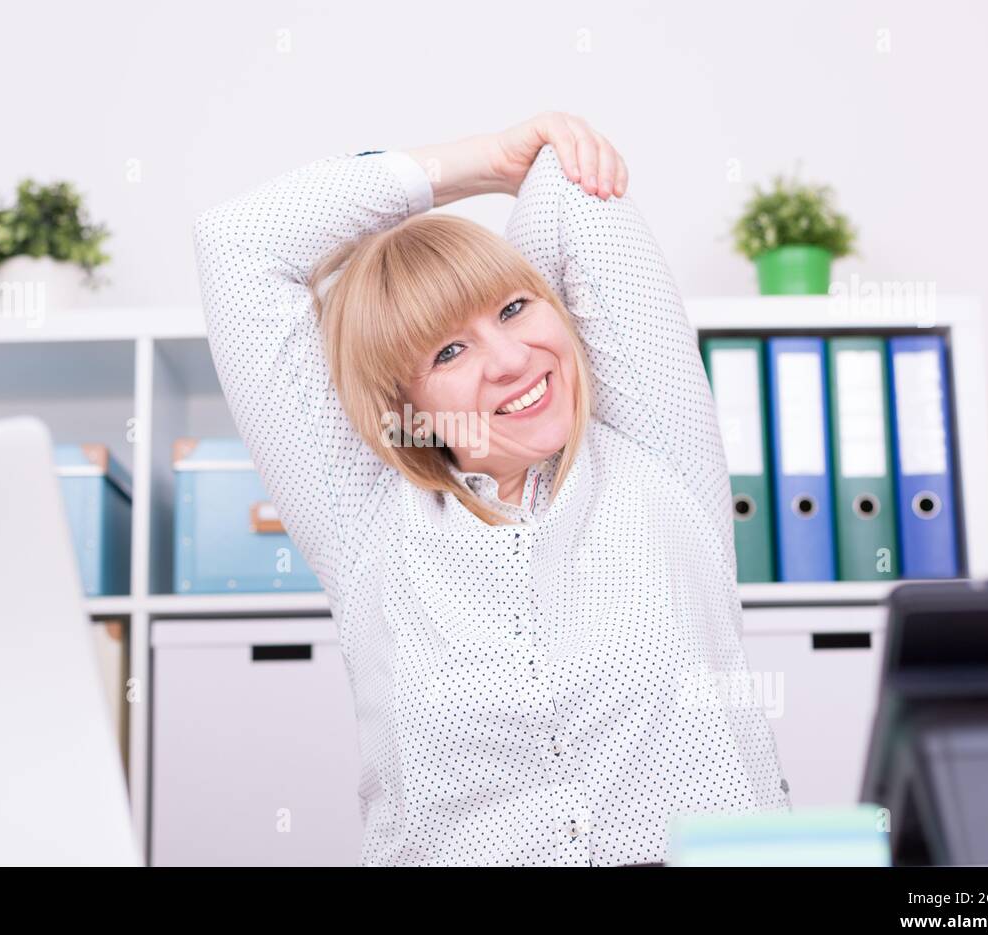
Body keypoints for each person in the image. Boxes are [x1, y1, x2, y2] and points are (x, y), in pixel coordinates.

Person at [192, 111, 789, 866]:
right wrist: (476, 164)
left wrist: (527, 159)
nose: (510, 360)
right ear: (400, 406)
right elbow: (238, 241)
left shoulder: (655, 451)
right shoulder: (366, 524)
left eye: (515, 307)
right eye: (448, 351)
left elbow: (566, 187)